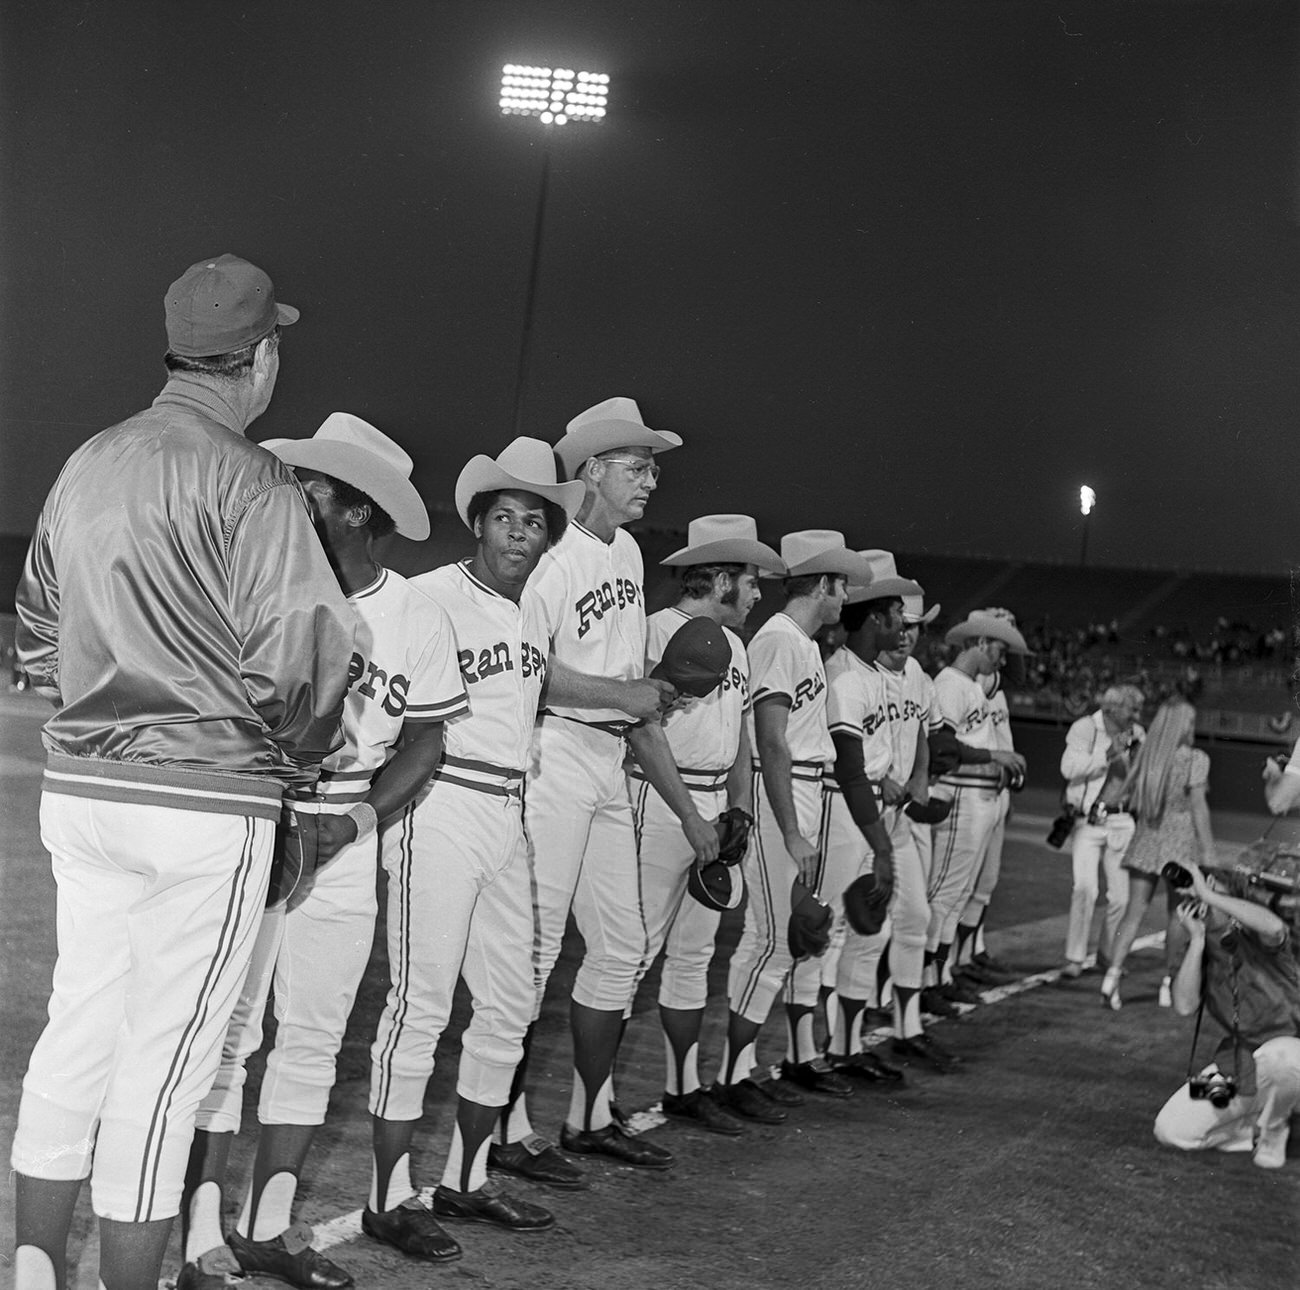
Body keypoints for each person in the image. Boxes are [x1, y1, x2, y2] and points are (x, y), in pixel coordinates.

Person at [11, 254, 355, 1290]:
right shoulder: (251, 476)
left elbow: (36, 633)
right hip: (203, 800)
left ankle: (30, 1270)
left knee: (79, 1031)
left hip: (82, 794)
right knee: (165, 1071)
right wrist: (292, 763)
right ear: (259, 357)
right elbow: (303, 653)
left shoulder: (89, 459)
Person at [178, 413, 460, 1290]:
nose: (294, 501)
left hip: (344, 833)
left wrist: (354, 824)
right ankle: (196, 1241)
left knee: (311, 1039)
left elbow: (425, 741)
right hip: (260, 823)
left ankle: (269, 1229)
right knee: (227, 1039)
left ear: (356, 510)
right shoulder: (254, 583)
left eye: (313, 492)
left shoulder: (415, 613)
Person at [362, 438, 587, 1264]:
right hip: (441, 799)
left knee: (512, 999)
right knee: (420, 1004)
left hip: (508, 808)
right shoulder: (429, 598)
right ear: (479, 525)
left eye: (535, 521)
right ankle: (387, 1199)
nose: (520, 533)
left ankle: (466, 1173)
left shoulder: (532, 611)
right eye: (505, 517)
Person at [493, 398, 718, 1179]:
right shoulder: (551, 551)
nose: (651, 478)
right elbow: (531, 668)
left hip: (607, 762)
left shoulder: (623, 555)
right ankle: (507, 1126)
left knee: (623, 946)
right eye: (636, 464)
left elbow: (633, 693)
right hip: (551, 753)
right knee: (534, 950)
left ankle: (590, 1115)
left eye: (654, 466)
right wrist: (626, 699)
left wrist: (688, 813)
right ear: (590, 469)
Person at [627, 514, 786, 1135]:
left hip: (717, 804)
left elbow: (742, 739)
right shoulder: (651, 632)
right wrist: (693, 816)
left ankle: (683, 1087)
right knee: (630, 956)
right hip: (661, 803)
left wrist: (740, 810)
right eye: (749, 581)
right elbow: (640, 731)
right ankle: (595, 1106)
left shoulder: (740, 646)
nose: (756, 593)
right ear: (719, 579)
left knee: (693, 957)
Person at [715, 532, 872, 1118]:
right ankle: (734, 1076)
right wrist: (790, 829)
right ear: (825, 585)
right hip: (781, 790)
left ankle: (743, 1071)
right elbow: (771, 743)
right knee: (773, 940)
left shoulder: (798, 641)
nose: (845, 597)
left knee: (776, 940)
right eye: (842, 585)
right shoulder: (781, 640)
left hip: (801, 788)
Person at [820, 551, 922, 1083]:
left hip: (864, 809)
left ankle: (846, 1046)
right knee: (836, 931)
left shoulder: (871, 673)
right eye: (895, 614)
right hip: (844, 813)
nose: (902, 625)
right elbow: (850, 771)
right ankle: (823, 1048)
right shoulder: (844, 678)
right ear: (874, 617)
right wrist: (881, 846)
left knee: (868, 933)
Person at [1153, 859, 1300, 1170]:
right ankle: (1254, 1129)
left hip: (1292, 1056)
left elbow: (1274, 926)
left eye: (1209, 893)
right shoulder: (1203, 951)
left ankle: (1275, 1130)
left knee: (1285, 1058)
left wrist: (1209, 894)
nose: (1199, 899)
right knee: (1171, 1130)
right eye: (1194, 896)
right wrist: (1196, 940)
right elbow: (1184, 1005)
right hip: (1242, 1065)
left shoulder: (1262, 941)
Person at [922, 612, 1028, 1012]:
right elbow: (942, 746)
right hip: (962, 797)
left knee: (958, 893)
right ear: (981, 643)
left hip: (980, 797)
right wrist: (993, 754)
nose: (1001, 660)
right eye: (999, 649)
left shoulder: (970, 686)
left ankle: (941, 975)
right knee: (944, 894)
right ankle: (922, 982)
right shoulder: (950, 684)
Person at [1102, 698, 1211, 1010]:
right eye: (1190, 722)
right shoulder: (1195, 759)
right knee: (1178, 915)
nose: (1193, 728)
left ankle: (1111, 976)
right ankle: (1169, 980)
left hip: (1147, 838)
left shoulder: (1149, 755)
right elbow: (1199, 808)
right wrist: (1209, 851)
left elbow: (1120, 787)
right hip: (1180, 842)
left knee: (1133, 912)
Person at [952, 607, 1028, 988]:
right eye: (1000, 641)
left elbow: (1017, 673)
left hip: (993, 788)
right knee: (963, 884)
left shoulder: (991, 681)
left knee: (985, 881)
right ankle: (956, 961)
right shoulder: (976, 681)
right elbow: (1008, 674)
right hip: (971, 789)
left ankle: (968, 954)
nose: (1006, 650)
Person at [1059, 685, 1145, 980]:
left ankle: (1107, 956)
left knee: (1120, 898)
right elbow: (1068, 768)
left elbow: (1140, 778)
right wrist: (1107, 755)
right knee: (1084, 890)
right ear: (1111, 709)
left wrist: (1134, 758)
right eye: (1131, 709)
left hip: (1122, 820)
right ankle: (1074, 957)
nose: (1136, 715)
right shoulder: (1085, 728)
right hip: (1087, 820)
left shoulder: (1138, 733)